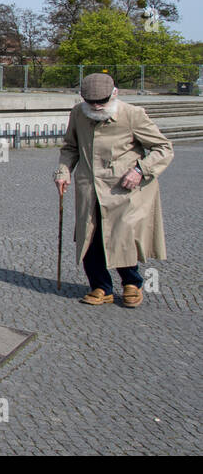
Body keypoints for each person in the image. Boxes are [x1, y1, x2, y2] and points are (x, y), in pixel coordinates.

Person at [54, 73, 173, 307]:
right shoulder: (78, 113)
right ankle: (100, 287)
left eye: (102, 101)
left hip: (124, 189)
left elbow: (163, 148)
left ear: (114, 94)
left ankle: (132, 283)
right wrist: (63, 170)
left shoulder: (133, 115)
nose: (97, 107)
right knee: (91, 237)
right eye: (91, 102)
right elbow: (70, 147)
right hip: (89, 187)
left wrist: (140, 170)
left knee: (122, 236)